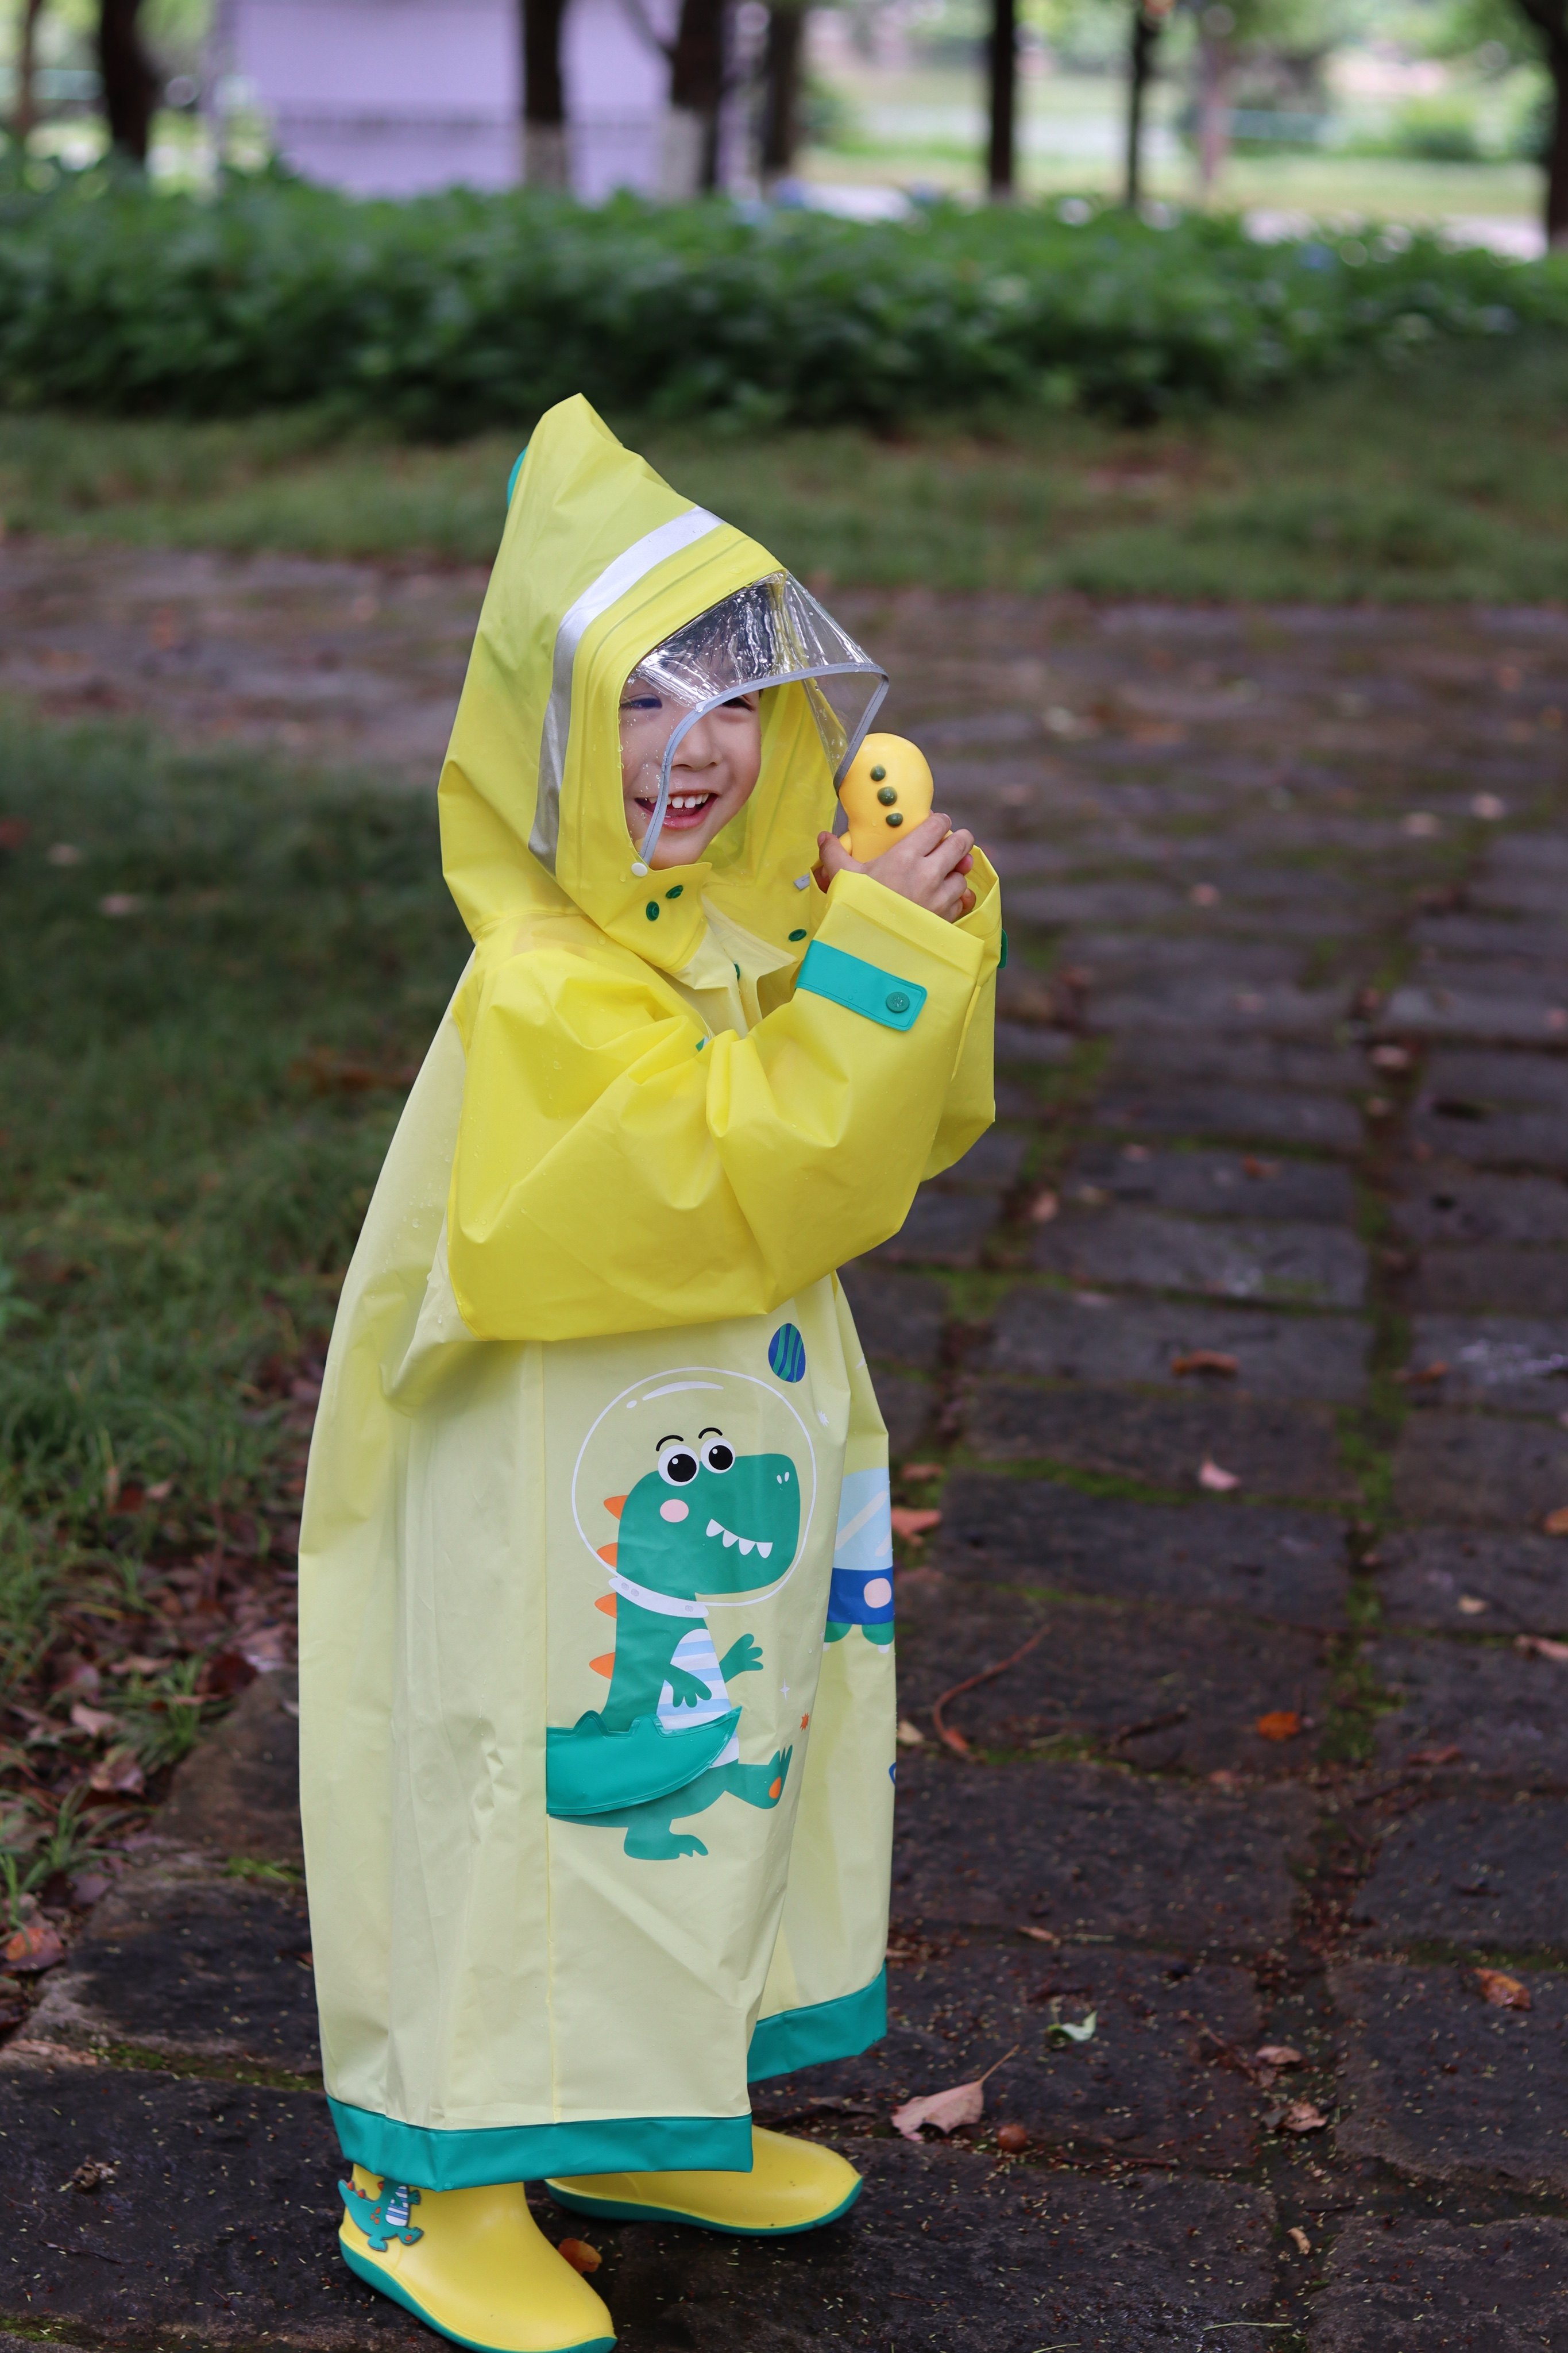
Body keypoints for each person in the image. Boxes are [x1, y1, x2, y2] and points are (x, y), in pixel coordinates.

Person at [298, 395, 1001, 2353]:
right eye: (632, 703)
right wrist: (861, 979)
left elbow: (889, 1144)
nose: (691, 751)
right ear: (538, 730)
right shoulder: (545, 981)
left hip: (705, 1462)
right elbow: (692, 1188)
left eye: (728, 700)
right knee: (517, 1782)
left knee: (719, 1759)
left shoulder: (724, 929)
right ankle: (430, 2169)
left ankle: (633, 2098)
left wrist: (916, 944)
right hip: (555, 1493)